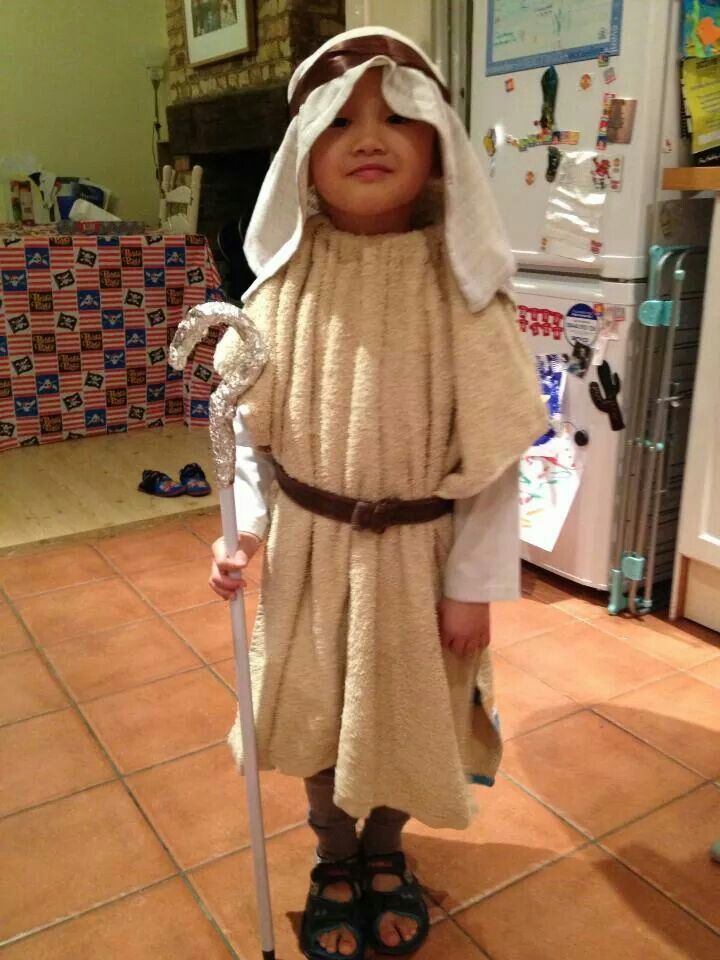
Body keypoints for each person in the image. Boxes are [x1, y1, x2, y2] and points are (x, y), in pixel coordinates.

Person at [209, 27, 546, 960]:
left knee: (409, 708)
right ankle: (333, 857)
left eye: (399, 115)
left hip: (422, 561)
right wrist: (236, 532)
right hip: (312, 553)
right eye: (342, 119)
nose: (371, 135)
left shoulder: (466, 296)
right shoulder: (280, 296)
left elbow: (490, 456)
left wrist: (473, 578)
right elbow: (244, 432)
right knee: (319, 706)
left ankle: (387, 851)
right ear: (303, 157)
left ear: (439, 143)